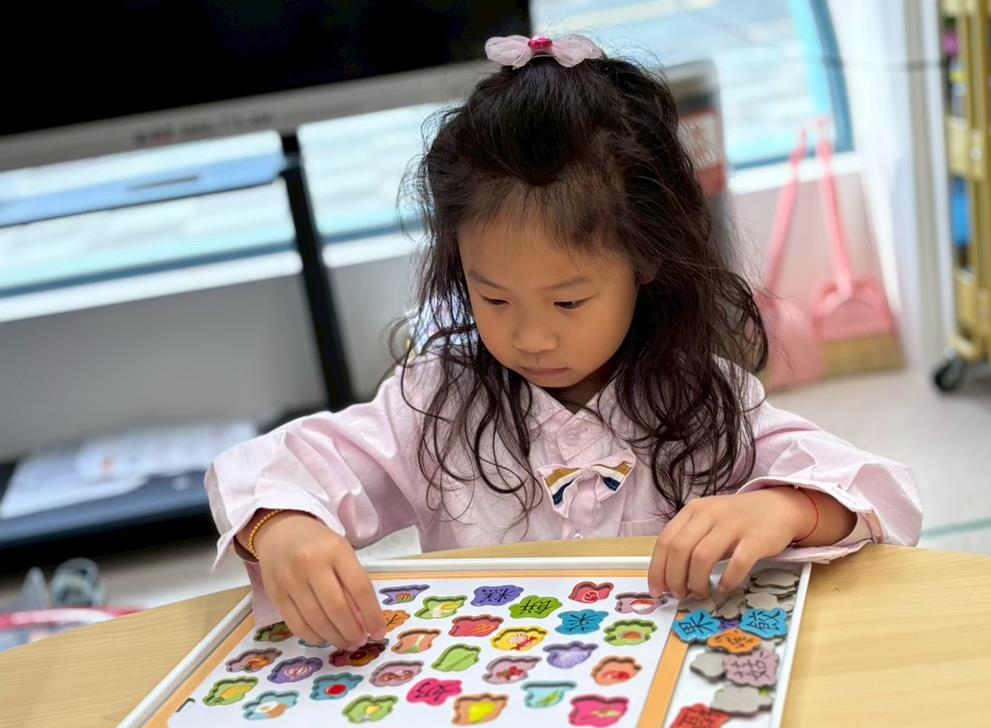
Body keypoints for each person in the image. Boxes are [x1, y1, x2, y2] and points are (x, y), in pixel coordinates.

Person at [206, 34, 922, 651]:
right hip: (487, 701)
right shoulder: (434, 402)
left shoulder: (707, 399)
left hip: (656, 696)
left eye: (569, 300)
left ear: (645, 260)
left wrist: (784, 508)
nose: (531, 335)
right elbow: (266, 468)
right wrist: (284, 528)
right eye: (493, 298)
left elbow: (879, 490)